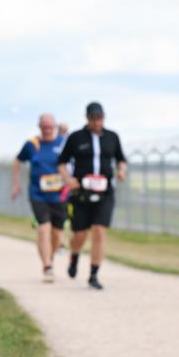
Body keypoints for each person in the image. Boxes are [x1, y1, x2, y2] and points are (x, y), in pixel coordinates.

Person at [58, 102, 127, 290]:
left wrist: (121, 171)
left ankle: (94, 274)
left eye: (100, 119)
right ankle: (74, 256)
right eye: (93, 119)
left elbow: (121, 159)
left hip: (105, 193)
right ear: (87, 118)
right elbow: (62, 162)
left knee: (99, 230)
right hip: (81, 192)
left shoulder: (112, 137)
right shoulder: (76, 138)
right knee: (80, 234)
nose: (97, 122)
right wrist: (68, 179)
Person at [13, 113, 68, 282]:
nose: (47, 130)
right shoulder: (32, 145)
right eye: (44, 127)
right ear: (40, 127)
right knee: (44, 228)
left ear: (55, 127)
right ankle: (47, 266)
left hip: (60, 195)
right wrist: (16, 184)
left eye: (50, 126)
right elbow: (17, 161)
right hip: (38, 194)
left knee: (57, 234)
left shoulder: (63, 143)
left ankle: (49, 258)